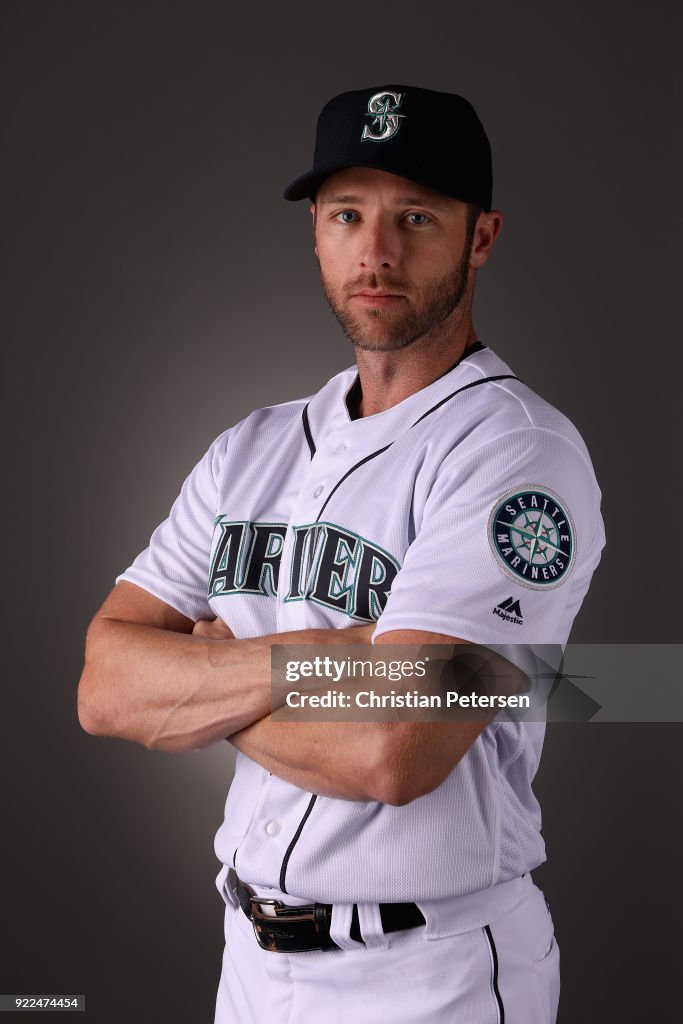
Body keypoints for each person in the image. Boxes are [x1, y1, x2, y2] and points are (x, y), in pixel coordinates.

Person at [78, 85, 606, 1023]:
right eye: (346, 215)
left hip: (428, 973)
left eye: (415, 216)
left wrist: (199, 686)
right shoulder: (251, 445)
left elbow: (391, 750)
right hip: (246, 961)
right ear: (316, 233)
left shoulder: (517, 452)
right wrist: (332, 658)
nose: (377, 251)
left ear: (480, 236)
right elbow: (104, 688)